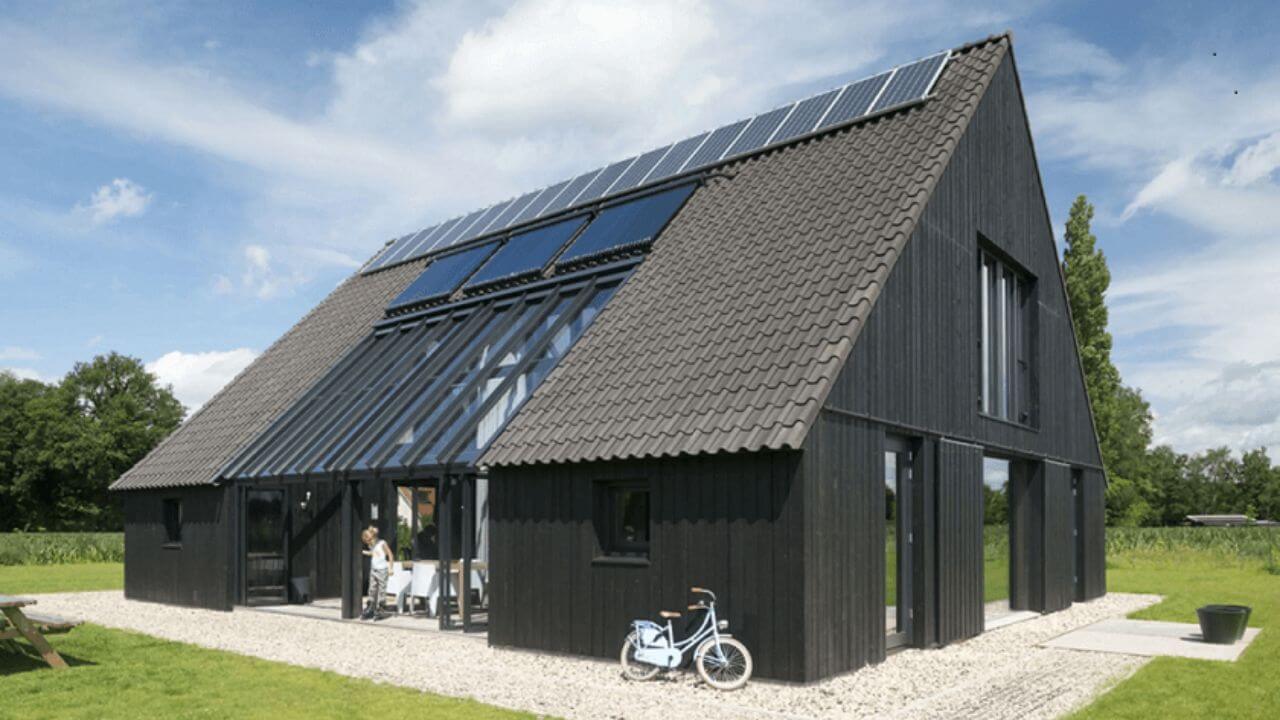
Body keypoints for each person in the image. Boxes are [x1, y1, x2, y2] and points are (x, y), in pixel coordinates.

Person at [361, 526, 392, 621]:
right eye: (367, 542)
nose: (369, 543)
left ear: (373, 537)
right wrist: (363, 552)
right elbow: (373, 553)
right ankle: (370, 607)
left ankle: (381, 608)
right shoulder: (372, 546)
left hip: (382, 570)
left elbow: (390, 555)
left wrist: (391, 568)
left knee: (381, 589)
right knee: (372, 588)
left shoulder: (382, 543)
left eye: (369, 541)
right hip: (374, 570)